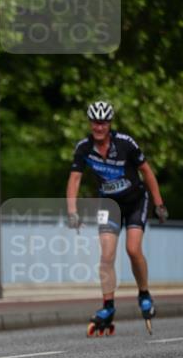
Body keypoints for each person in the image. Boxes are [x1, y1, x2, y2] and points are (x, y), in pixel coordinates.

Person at [66, 100, 168, 334]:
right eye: (95, 123)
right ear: (90, 123)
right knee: (107, 255)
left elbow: (147, 172)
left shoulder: (125, 144)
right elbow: (74, 180)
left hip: (135, 201)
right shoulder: (83, 148)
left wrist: (159, 203)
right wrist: (72, 211)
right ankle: (108, 305)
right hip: (109, 205)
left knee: (132, 249)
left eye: (103, 123)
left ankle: (143, 293)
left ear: (110, 123)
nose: (98, 127)